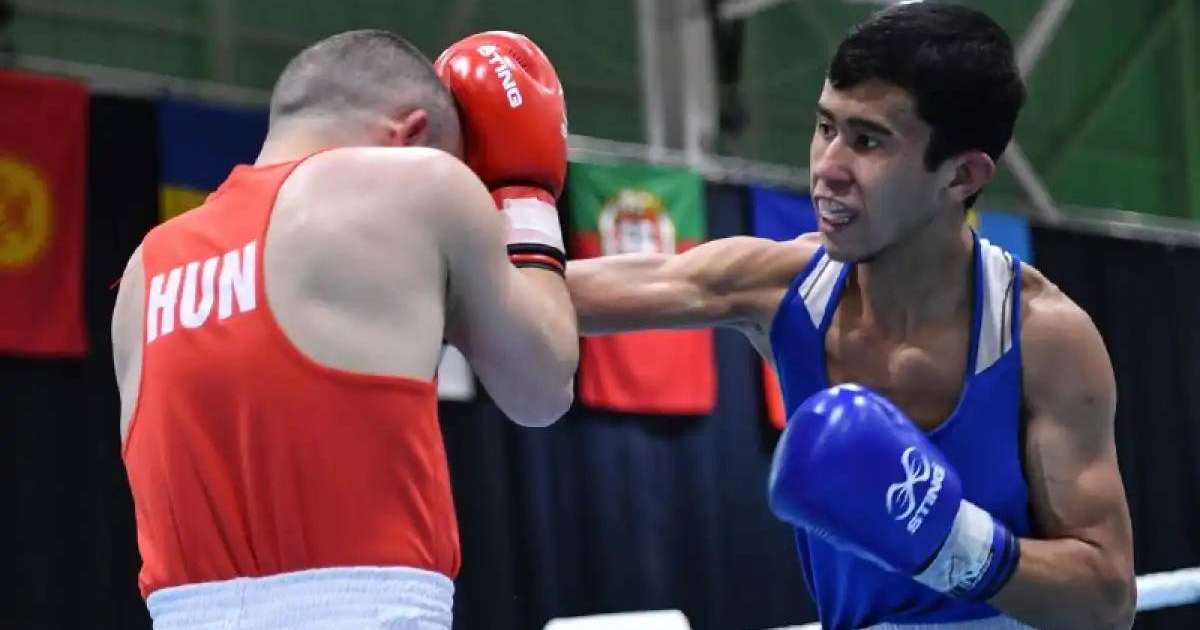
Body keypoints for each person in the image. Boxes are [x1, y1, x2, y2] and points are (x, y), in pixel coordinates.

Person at [565, 4, 1134, 629]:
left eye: (867, 140)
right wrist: (509, 204)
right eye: (825, 127)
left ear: (961, 175)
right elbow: (545, 299)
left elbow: (1107, 602)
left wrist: (955, 545)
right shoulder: (780, 287)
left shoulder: (1042, 337)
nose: (827, 168)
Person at [110, 29, 578, 629]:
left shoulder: (145, 269)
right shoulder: (421, 185)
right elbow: (541, 388)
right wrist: (525, 192)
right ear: (412, 136)